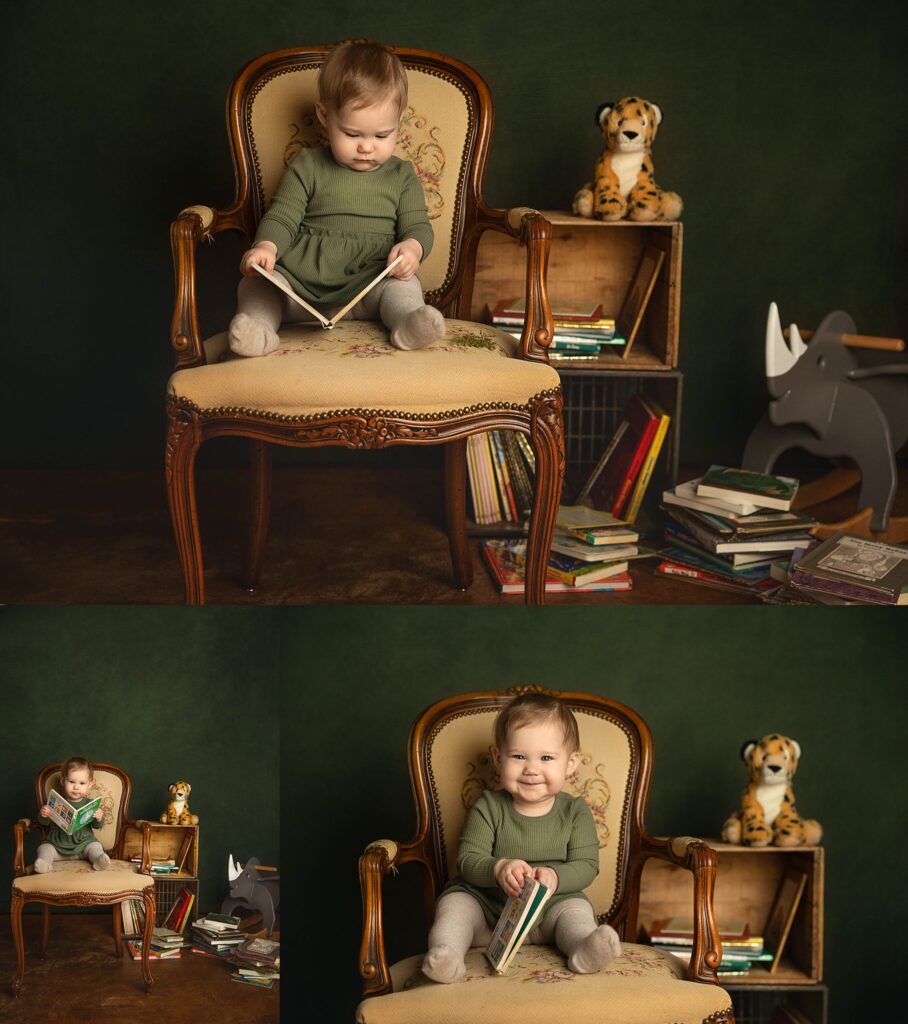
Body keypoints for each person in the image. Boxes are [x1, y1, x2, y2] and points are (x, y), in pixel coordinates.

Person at [228, 40, 445, 358]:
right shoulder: (308, 165)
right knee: (256, 285)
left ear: (399, 122)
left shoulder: (402, 175)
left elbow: (418, 225)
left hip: (371, 285)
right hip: (301, 286)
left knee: (405, 287)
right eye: (353, 134)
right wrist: (266, 248)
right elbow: (282, 217)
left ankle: (407, 323)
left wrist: (413, 247)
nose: (366, 147)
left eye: (382, 135)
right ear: (324, 115)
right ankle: (259, 330)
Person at [422, 693, 621, 983]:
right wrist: (499, 868)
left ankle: (583, 948)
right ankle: (447, 955)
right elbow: (467, 860)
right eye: (518, 756)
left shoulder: (575, 812)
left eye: (546, 758)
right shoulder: (488, 806)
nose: (531, 769)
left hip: (553, 908)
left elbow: (587, 865)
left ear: (570, 763)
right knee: (454, 907)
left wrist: (555, 876)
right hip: (488, 912)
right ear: (497, 757)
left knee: (576, 912)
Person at [34, 756, 109, 873]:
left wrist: (99, 817)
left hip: (83, 845)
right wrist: (44, 814)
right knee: (44, 848)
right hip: (58, 846)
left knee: (95, 846)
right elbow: (43, 822)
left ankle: (98, 859)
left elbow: (98, 826)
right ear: (63, 781)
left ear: (90, 784)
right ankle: (44, 863)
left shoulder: (90, 804)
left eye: (82, 783)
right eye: (71, 781)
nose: (76, 787)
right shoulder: (56, 802)